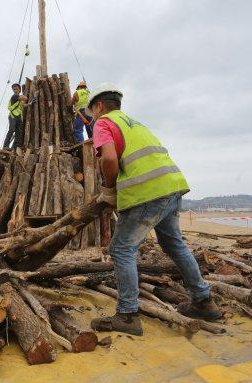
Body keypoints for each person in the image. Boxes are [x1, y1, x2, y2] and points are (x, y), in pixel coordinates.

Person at [88, 83, 221, 336]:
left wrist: (109, 187)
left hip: (147, 193)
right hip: (171, 187)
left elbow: (108, 158)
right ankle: (204, 301)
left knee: (121, 248)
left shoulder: (103, 123)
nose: (93, 115)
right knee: (174, 244)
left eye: (92, 110)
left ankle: (127, 315)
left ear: (99, 106)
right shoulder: (135, 123)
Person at [3, 83, 28, 150]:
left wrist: (30, 103)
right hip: (13, 116)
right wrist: (23, 96)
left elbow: (24, 105)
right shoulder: (14, 96)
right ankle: (5, 146)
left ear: (19, 90)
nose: (15, 90)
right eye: (14, 89)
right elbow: (25, 98)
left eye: (17, 89)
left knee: (18, 132)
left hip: (19, 116)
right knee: (11, 130)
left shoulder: (19, 99)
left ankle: (15, 147)